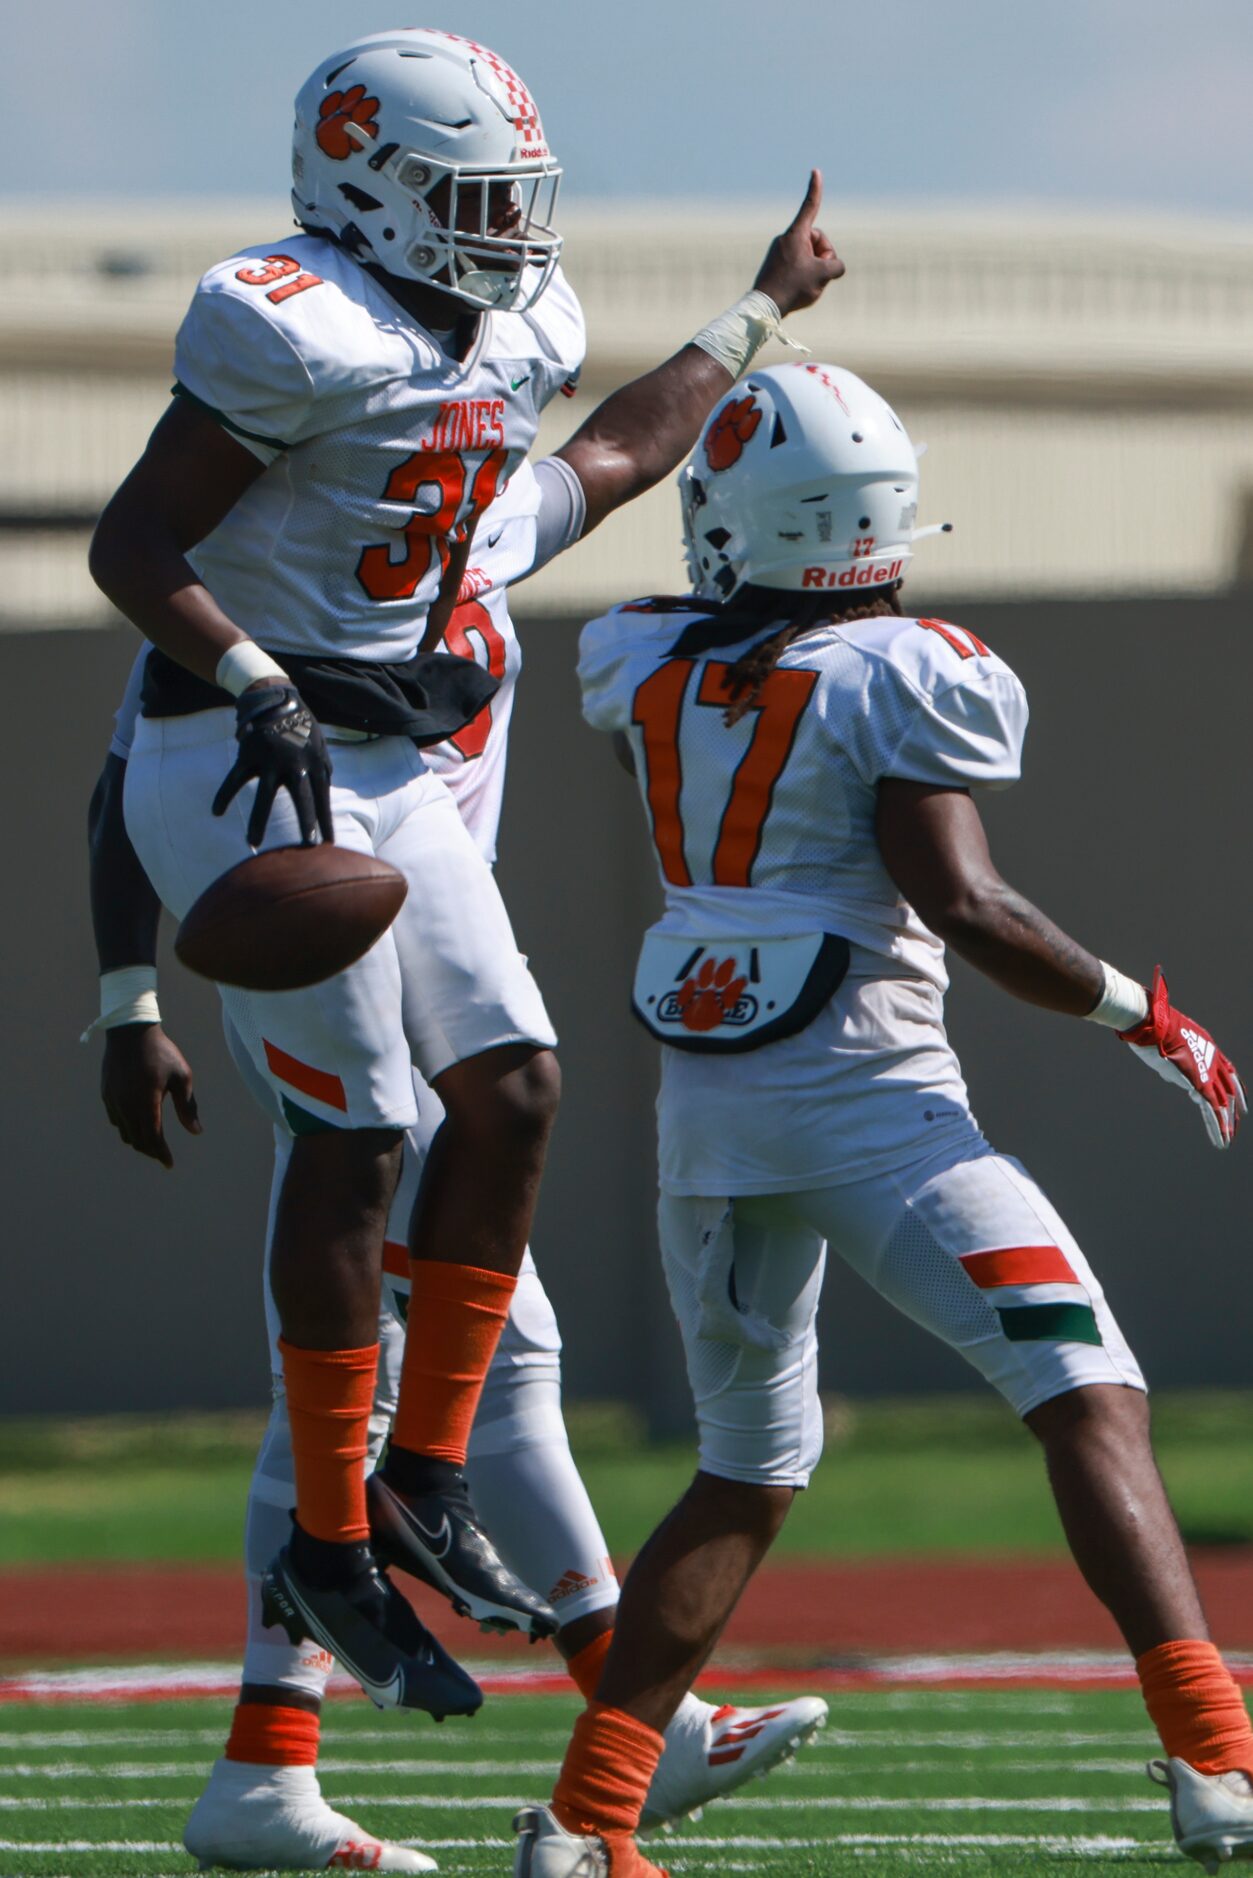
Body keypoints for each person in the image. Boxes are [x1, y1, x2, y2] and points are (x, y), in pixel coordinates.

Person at [86, 27, 840, 1866]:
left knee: (511, 1096)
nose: (506, 241)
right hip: (261, 767)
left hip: (376, 777)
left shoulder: (467, 532)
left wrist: (755, 314)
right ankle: (448, 1629)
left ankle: (383, 1566)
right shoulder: (296, 347)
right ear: (360, 189)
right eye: (468, 202)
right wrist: (132, 974)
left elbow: (601, 456)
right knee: (379, 1190)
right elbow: (133, 638)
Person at [510, 361, 1252, 1878]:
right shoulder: (908, 666)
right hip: (875, 1110)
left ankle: (587, 1824)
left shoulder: (635, 656)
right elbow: (963, 902)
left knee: (744, 1465)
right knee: (1084, 1392)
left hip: (709, 1121)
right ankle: (1218, 1761)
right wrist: (1142, 1013)